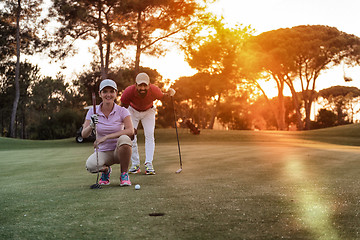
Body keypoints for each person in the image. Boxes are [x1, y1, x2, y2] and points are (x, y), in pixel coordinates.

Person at [120, 72, 175, 175]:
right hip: (132, 111)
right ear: (135, 85)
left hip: (148, 111)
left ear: (149, 85)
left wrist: (170, 93)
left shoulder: (155, 90)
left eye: (145, 85)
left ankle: (148, 164)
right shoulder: (128, 91)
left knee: (149, 135)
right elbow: (122, 106)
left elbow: (164, 97)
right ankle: (135, 165)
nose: (142, 88)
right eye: (140, 85)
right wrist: (123, 122)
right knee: (131, 136)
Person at [82, 79, 134, 186]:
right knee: (91, 166)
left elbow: (130, 130)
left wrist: (106, 137)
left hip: (119, 151)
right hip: (103, 152)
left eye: (111, 91)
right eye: (105, 91)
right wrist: (91, 126)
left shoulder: (122, 111)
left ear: (116, 93)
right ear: (100, 94)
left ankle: (124, 174)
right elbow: (84, 134)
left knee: (125, 139)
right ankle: (106, 171)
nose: (108, 94)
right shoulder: (92, 111)